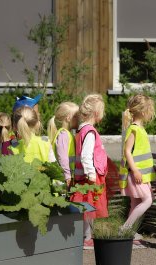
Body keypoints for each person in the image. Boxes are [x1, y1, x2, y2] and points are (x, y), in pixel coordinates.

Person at [70, 94, 108, 250]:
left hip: (85, 176)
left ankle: (86, 236)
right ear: (97, 114)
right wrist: (91, 174)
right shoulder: (90, 132)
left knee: (87, 207)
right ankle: (87, 238)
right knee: (90, 207)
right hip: (90, 177)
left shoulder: (81, 130)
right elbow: (86, 156)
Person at [119, 94, 156, 249]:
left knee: (135, 203)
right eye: (149, 110)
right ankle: (125, 229)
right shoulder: (134, 129)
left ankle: (130, 233)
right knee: (148, 200)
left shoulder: (139, 128)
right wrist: (135, 171)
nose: (151, 113)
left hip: (141, 174)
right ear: (142, 111)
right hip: (137, 174)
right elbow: (127, 151)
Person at [47, 102, 80, 189]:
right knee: (60, 201)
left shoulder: (67, 134)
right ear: (68, 118)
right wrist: (67, 176)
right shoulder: (63, 135)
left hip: (63, 178)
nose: (79, 119)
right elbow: (62, 157)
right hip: (62, 180)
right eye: (76, 116)